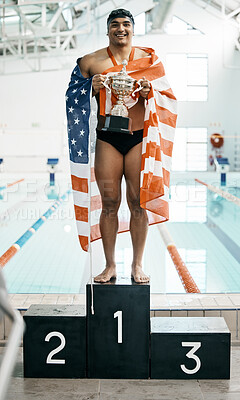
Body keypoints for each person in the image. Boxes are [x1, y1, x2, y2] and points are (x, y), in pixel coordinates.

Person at [79, 9, 151, 284]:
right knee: (109, 203)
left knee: (137, 203)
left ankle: (137, 264)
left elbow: (167, 96)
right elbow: (74, 98)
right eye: (115, 25)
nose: (120, 29)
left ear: (133, 29)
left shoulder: (148, 60)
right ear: (107, 30)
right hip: (108, 137)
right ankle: (110, 265)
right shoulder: (91, 62)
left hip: (138, 137)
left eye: (126, 25)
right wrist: (90, 87)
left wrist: (150, 92)